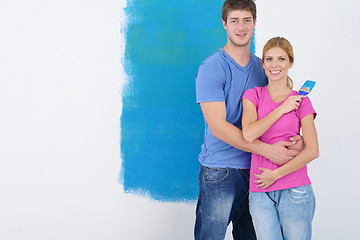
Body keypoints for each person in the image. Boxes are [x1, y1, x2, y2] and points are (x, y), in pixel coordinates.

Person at [194, 0, 304, 239]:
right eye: (234, 20)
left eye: (247, 20)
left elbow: (275, 112)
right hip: (220, 170)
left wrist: (296, 140)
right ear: (224, 24)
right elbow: (219, 127)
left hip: (258, 171)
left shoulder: (263, 68)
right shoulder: (211, 68)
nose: (241, 27)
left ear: (255, 23)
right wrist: (268, 150)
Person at [241, 37, 319, 239]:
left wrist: (276, 175)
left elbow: (312, 150)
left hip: (295, 189)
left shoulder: (302, 101)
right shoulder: (253, 95)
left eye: (281, 59)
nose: (274, 65)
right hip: (260, 190)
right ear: (263, 64)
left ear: (290, 63)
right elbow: (248, 134)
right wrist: (281, 109)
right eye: (269, 59)